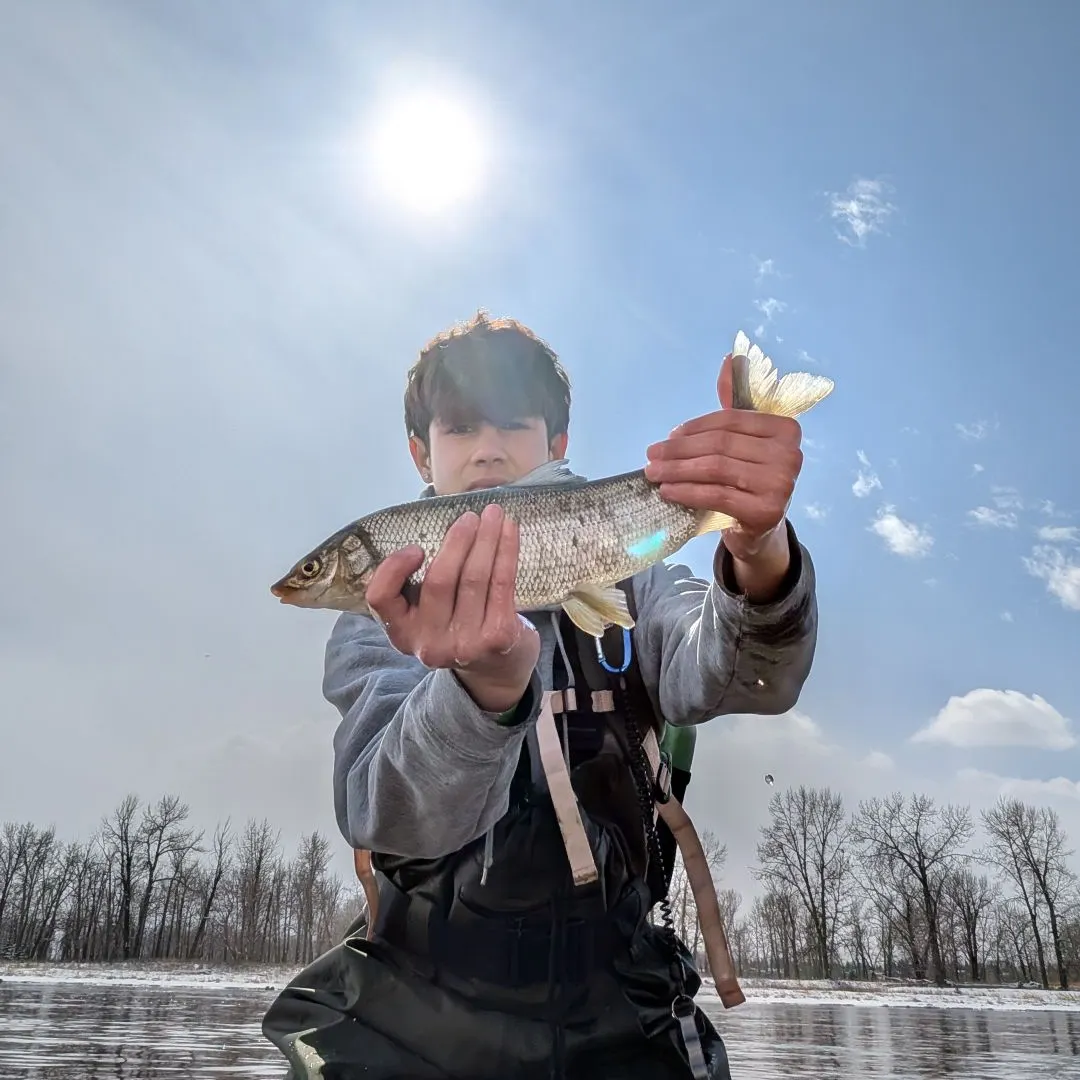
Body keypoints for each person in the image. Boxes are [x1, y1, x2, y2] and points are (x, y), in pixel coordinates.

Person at [262, 311, 818, 1079]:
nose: (487, 448)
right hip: (414, 1005)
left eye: (513, 423)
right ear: (422, 452)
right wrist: (482, 691)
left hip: (624, 999)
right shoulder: (380, 615)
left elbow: (747, 677)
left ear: (557, 445)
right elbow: (384, 815)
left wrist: (759, 548)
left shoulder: (640, 581)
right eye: (460, 427)